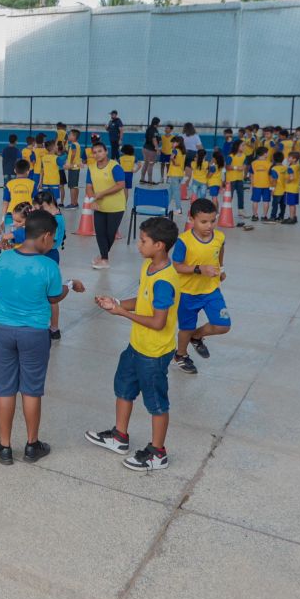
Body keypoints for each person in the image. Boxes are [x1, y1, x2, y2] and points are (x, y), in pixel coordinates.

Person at [0, 208, 81, 465]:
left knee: (4, 389)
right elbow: (53, 297)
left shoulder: (3, 259)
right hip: (34, 333)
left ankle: (4, 446)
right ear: (46, 236)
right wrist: (68, 288)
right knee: (31, 390)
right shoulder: (49, 266)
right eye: (54, 238)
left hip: (2, 330)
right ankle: (31, 445)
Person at [85, 216, 181, 472]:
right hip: (137, 345)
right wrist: (115, 302)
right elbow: (142, 300)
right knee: (124, 388)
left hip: (154, 352)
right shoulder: (149, 266)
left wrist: (122, 314)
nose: (138, 245)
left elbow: (159, 322)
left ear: (159, 245)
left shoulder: (164, 281)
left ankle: (157, 453)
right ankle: (119, 436)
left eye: (143, 241)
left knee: (156, 403)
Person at [170, 198, 230, 375]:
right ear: (191, 219)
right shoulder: (184, 241)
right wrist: (199, 269)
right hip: (187, 293)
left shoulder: (219, 237)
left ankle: (196, 336)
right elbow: (177, 265)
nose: (209, 226)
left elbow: (220, 251)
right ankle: (180, 355)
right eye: (203, 222)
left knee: (223, 325)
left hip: (211, 290)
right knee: (185, 329)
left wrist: (222, 269)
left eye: (213, 221)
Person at [86, 142, 129, 269]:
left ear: (106, 152)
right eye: (94, 152)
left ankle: (103, 255)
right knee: (100, 233)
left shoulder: (115, 167)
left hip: (116, 207)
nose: (97, 154)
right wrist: (92, 200)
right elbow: (89, 187)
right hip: (99, 206)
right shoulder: (91, 168)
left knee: (110, 234)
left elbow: (121, 184)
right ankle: (105, 259)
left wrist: (102, 194)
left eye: (100, 151)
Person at [143, 117, 161, 183]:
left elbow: (146, 138)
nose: (159, 124)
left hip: (145, 148)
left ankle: (142, 179)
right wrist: (157, 149)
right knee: (150, 164)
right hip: (151, 150)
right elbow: (154, 140)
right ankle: (150, 180)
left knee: (145, 164)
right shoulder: (154, 130)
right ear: (157, 123)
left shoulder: (149, 129)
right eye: (159, 123)